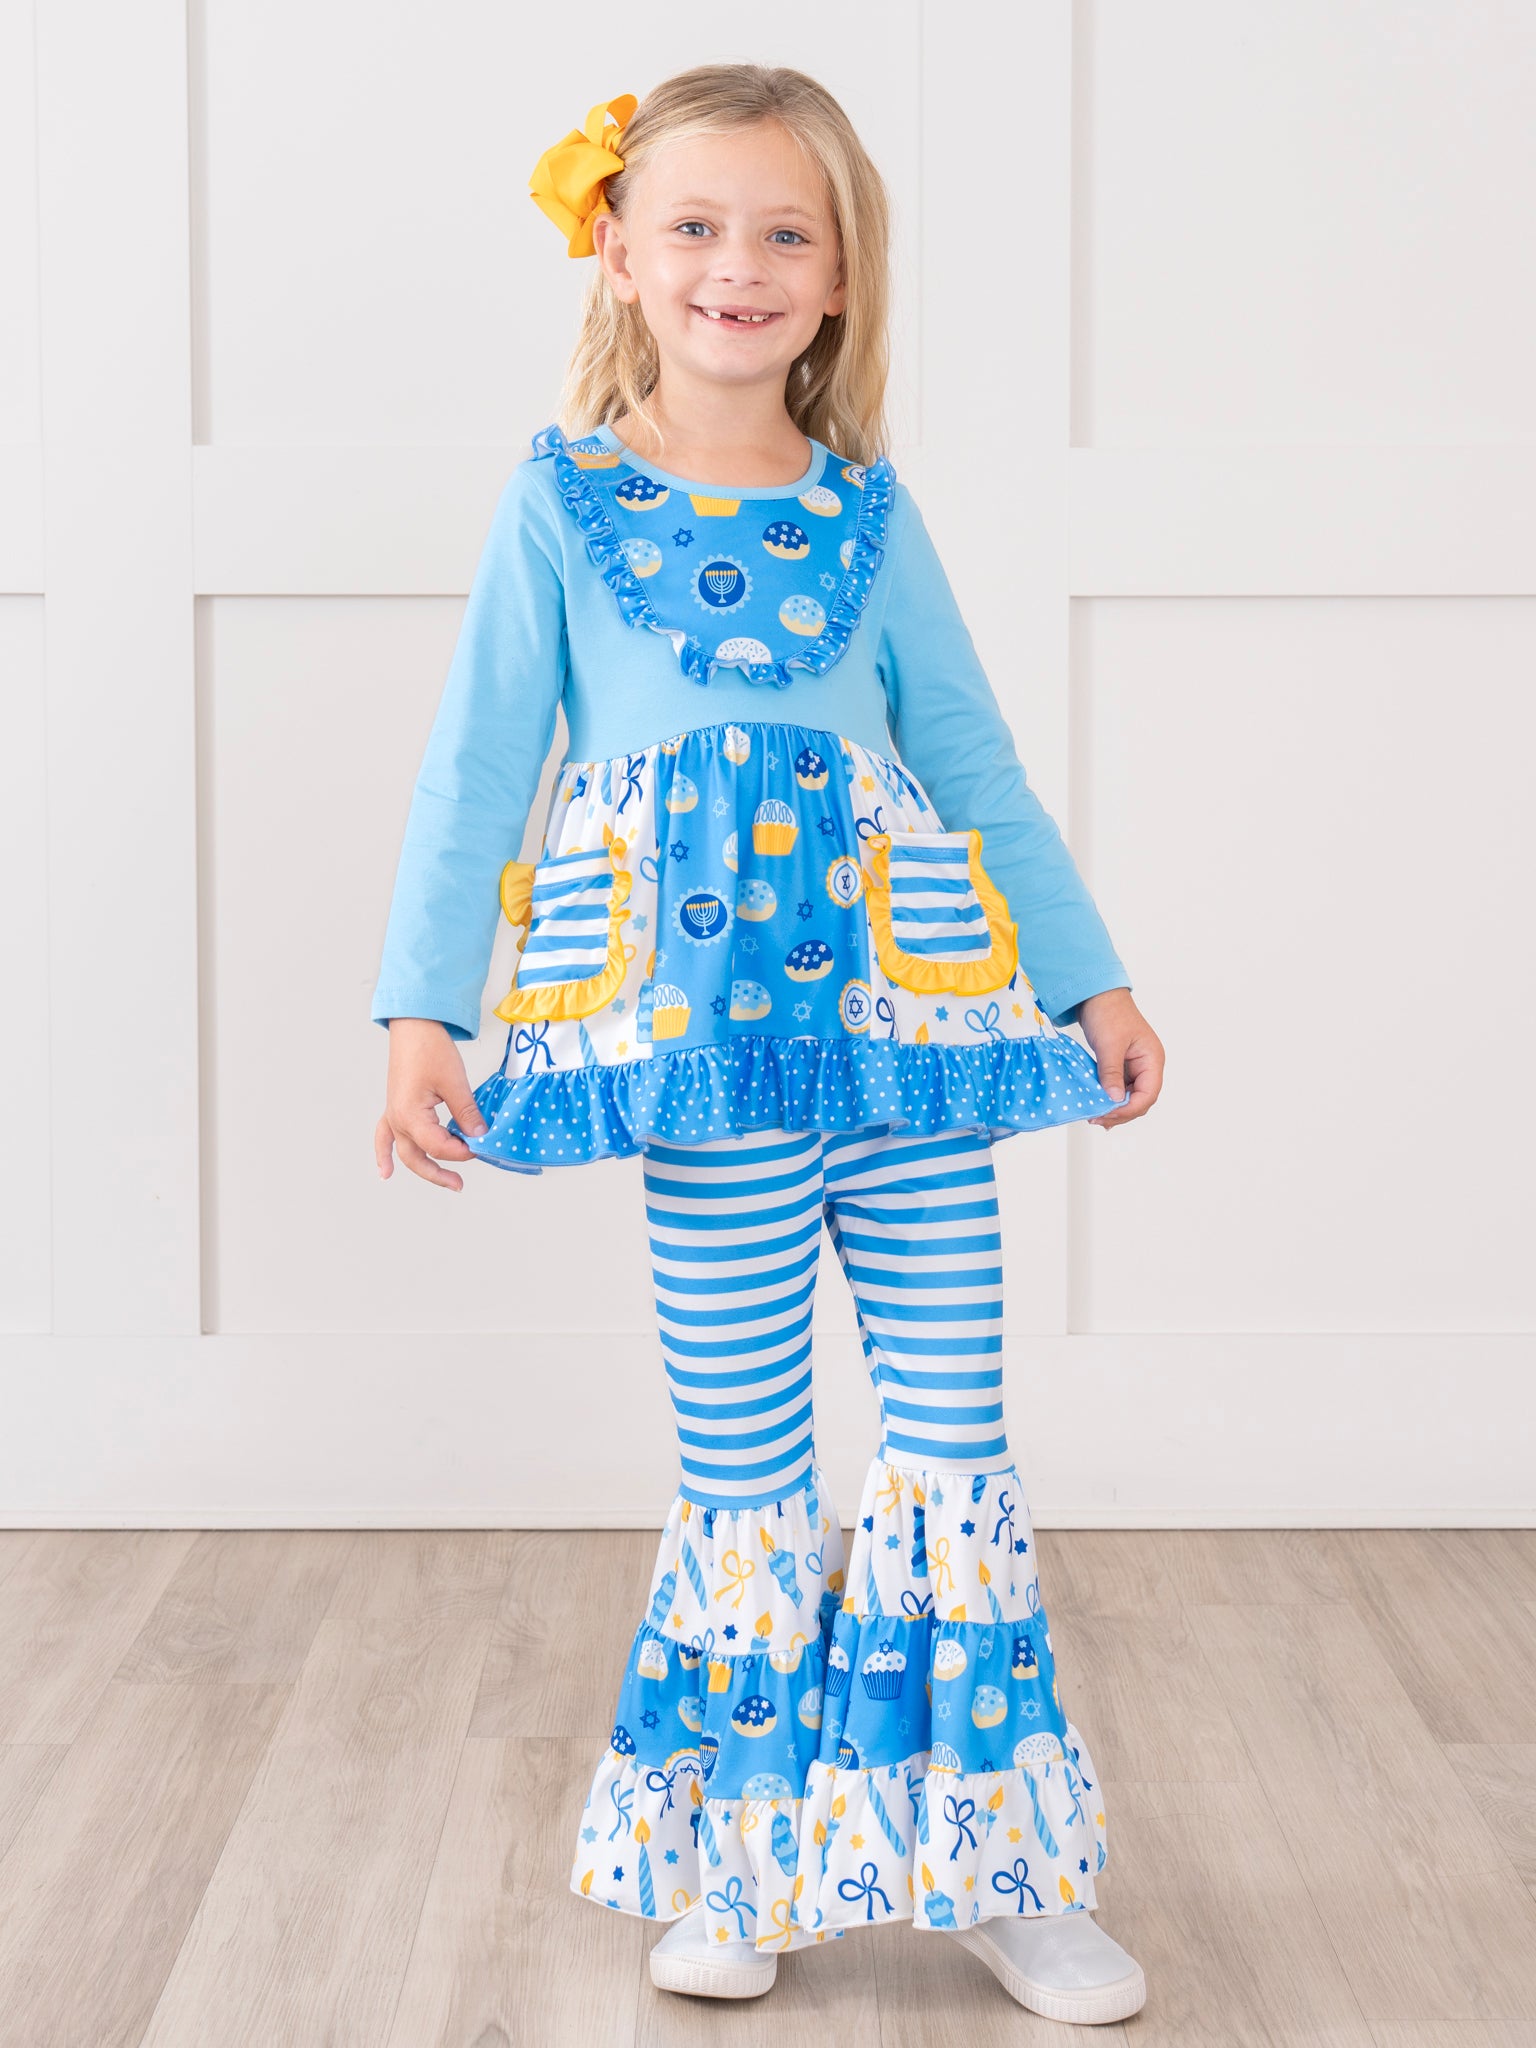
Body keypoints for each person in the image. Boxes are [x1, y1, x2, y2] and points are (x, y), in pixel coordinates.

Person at [371, 64, 1164, 2025]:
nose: (739, 264)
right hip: (702, 1069)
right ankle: (741, 1863)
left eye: (785, 232)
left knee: (952, 1447)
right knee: (748, 1466)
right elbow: (476, 771)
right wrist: (419, 1014)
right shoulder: (561, 506)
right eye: (698, 226)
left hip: (907, 1049)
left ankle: (994, 1866)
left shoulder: (871, 517)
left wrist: (1091, 980)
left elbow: (972, 763)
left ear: (838, 279)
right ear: (622, 257)